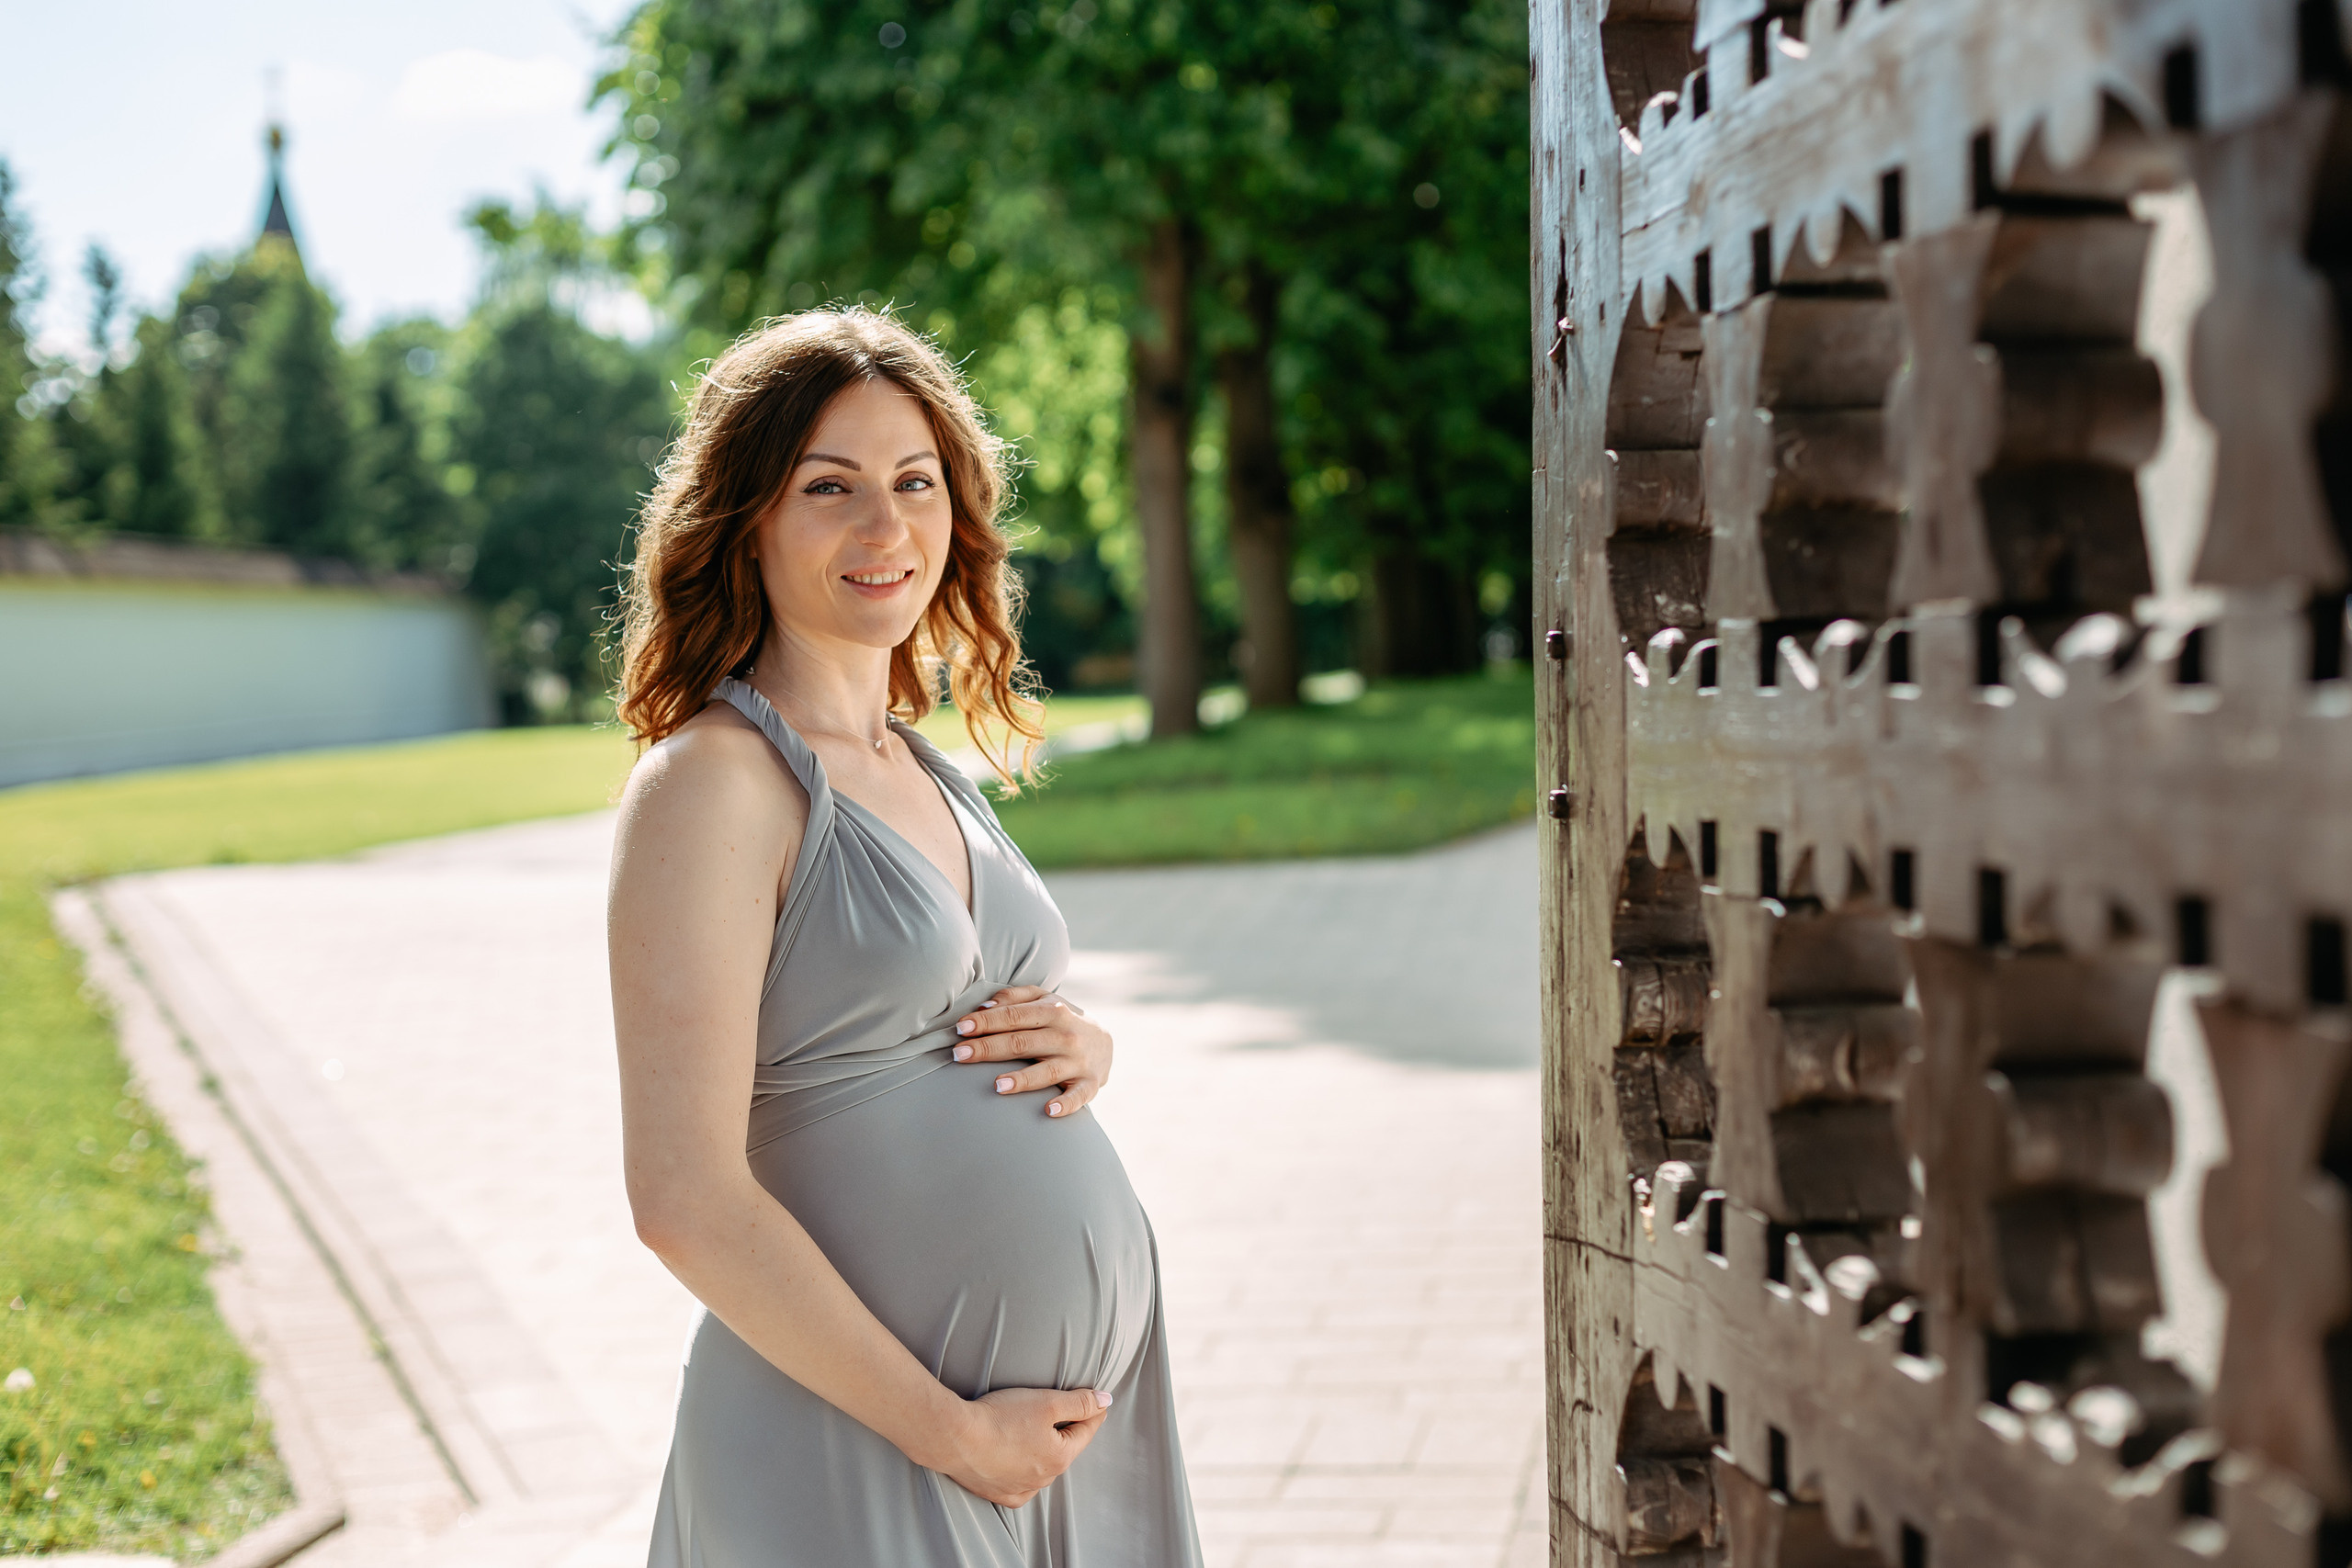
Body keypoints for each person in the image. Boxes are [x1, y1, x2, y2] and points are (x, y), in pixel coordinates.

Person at [606, 308, 1202, 1564]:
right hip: (864, 1443)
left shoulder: (930, 771)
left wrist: (1078, 1049)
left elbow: (936, 1030)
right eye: (831, 487)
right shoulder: (711, 782)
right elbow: (683, 1199)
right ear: (747, 520)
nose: (886, 528)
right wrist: (951, 1434)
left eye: (914, 483)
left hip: (1034, 1455)